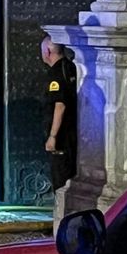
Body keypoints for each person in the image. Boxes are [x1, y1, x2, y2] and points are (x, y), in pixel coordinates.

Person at [41, 34, 78, 193]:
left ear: (48, 52)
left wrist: (53, 136)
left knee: (61, 179)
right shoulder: (70, 67)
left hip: (62, 138)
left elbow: (59, 105)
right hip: (73, 133)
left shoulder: (56, 74)